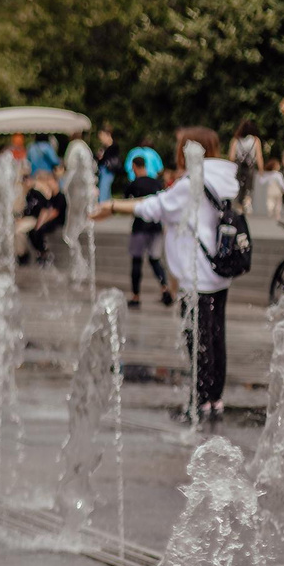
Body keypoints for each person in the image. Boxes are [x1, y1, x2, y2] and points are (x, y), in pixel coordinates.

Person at [98, 126, 240, 422]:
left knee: (197, 338)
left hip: (196, 273)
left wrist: (112, 206)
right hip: (217, 270)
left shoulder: (192, 184)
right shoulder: (223, 179)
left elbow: (156, 206)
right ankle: (214, 400)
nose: (177, 151)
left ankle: (198, 403)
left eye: (180, 145)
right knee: (215, 336)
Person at [119, 146, 169, 307]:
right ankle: (164, 288)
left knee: (136, 261)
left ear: (134, 167)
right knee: (155, 260)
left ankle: (135, 296)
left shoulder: (133, 185)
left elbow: (125, 205)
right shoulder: (156, 183)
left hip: (140, 228)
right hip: (156, 227)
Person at [18, 167, 66, 266]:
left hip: (58, 221)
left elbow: (54, 212)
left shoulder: (60, 196)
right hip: (50, 220)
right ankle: (40, 252)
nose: (49, 184)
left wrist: (42, 222)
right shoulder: (52, 196)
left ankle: (44, 253)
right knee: (33, 232)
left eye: (50, 181)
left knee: (39, 230)